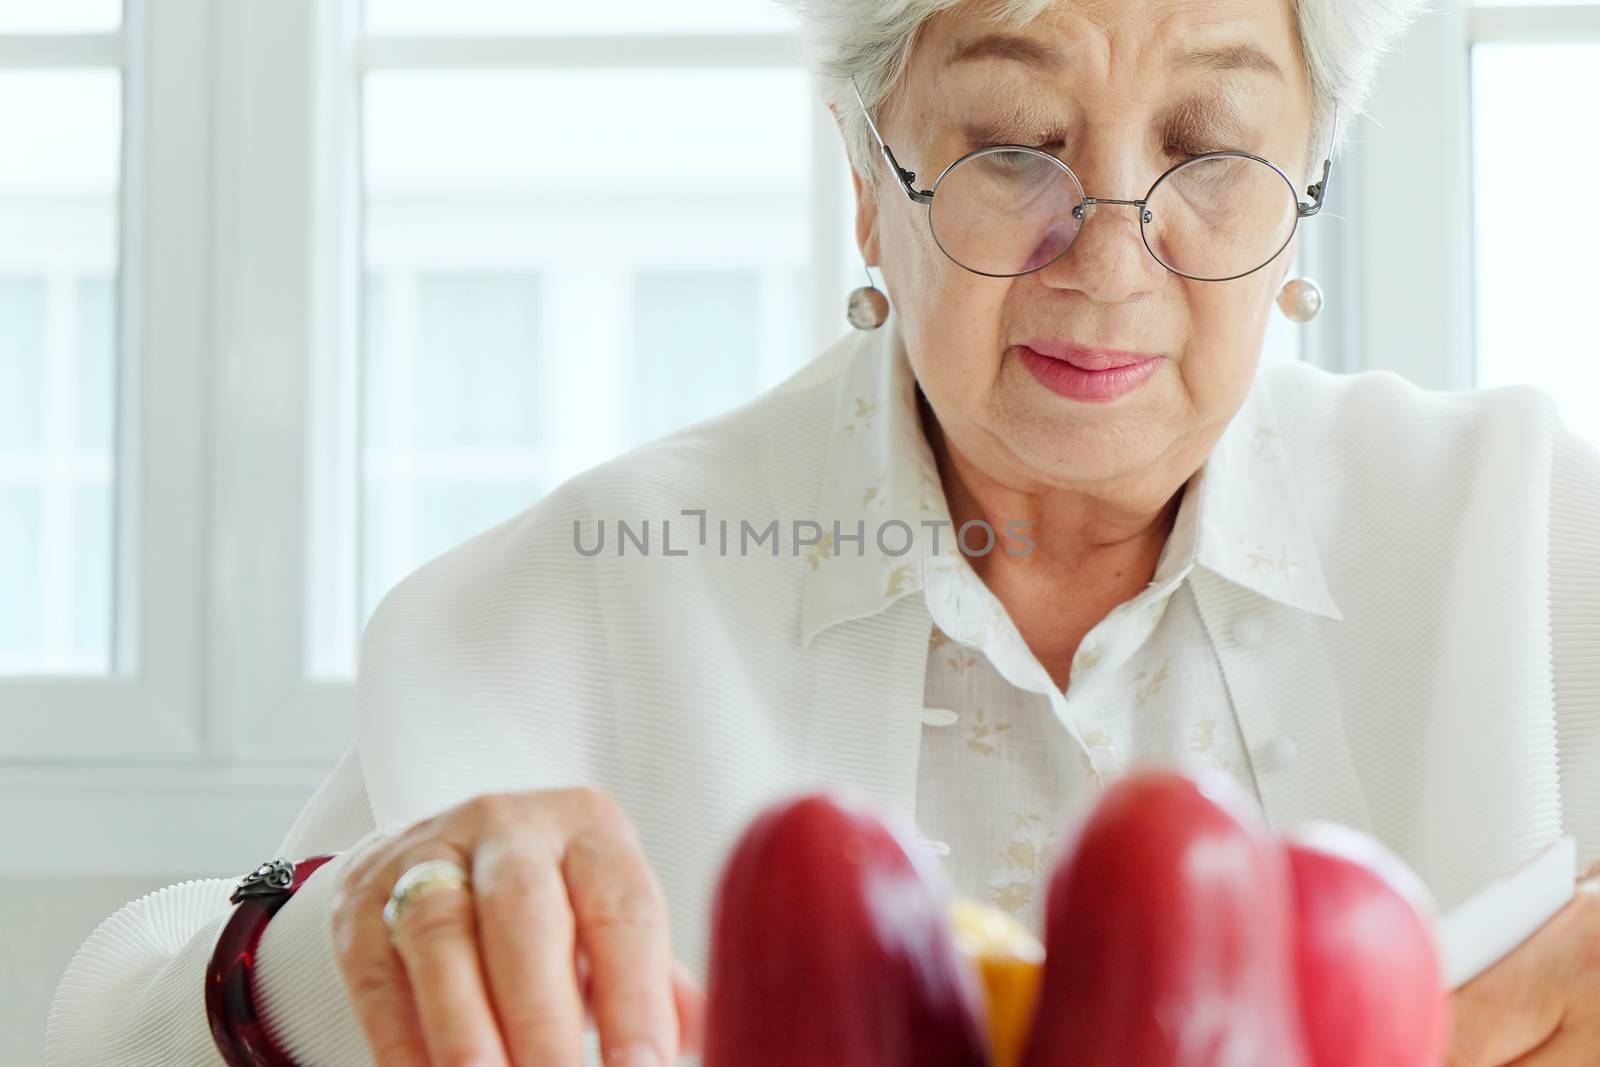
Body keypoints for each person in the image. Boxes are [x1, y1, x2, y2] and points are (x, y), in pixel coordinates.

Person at [47, 1, 1600, 1065]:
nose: (1113, 254)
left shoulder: (1529, 535)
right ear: (867, 178)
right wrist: (327, 962)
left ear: (1308, 183)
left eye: (1211, 148)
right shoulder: (576, 602)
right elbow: (104, 1020)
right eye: (1012, 144)